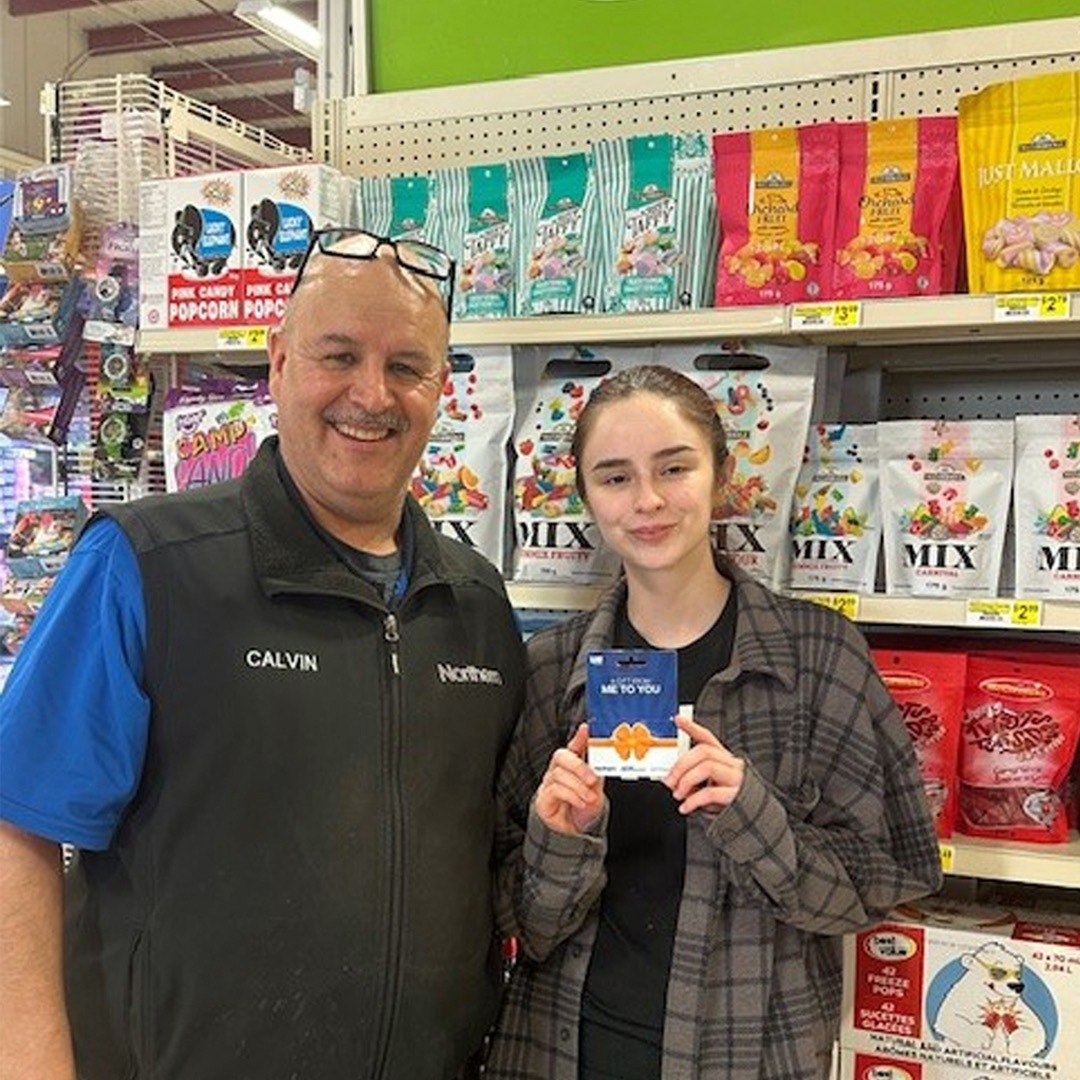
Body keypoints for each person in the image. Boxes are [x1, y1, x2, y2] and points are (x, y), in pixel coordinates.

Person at [0, 228, 525, 1080]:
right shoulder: (147, 566)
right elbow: (18, 826)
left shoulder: (476, 606)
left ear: (441, 388)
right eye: (339, 355)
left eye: (405, 366)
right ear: (278, 364)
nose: (371, 394)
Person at [487, 365, 942, 1080]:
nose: (647, 500)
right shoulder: (551, 667)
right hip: (560, 1053)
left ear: (722, 476)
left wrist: (754, 817)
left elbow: (880, 886)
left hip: (747, 1059)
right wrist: (560, 841)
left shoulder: (819, 658)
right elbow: (523, 924)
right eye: (615, 477)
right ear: (585, 496)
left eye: (675, 468)